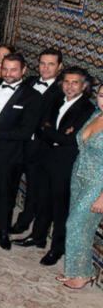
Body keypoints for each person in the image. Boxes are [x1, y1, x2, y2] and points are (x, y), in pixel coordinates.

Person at [26, 67, 95, 266]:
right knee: (42, 199)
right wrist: (54, 132)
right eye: (66, 81)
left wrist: (50, 131)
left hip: (65, 163)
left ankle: (57, 248)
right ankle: (37, 236)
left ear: (84, 85)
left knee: (60, 207)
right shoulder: (55, 99)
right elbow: (41, 126)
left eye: (75, 82)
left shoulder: (87, 109)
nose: (69, 86)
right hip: (45, 156)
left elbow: (71, 140)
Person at [0, 53, 40, 247]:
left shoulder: (32, 96)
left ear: (23, 70)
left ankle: (3, 232)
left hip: (9, 152)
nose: (8, 73)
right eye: (5, 69)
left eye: (13, 69)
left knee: (6, 194)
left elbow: (26, 131)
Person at [11, 48, 65, 236]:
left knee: (35, 187)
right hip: (17, 142)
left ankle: (25, 222)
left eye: (51, 64)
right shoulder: (30, 82)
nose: (45, 68)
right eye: (42, 63)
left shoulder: (62, 90)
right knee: (11, 179)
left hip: (39, 146)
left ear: (59, 66)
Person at [58, 83, 103, 289]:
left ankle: (81, 274)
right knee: (82, 226)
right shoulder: (95, 115)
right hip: (78, 175)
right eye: (101, 95)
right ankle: (80, 271)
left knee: (76, 224)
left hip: (98, 183)